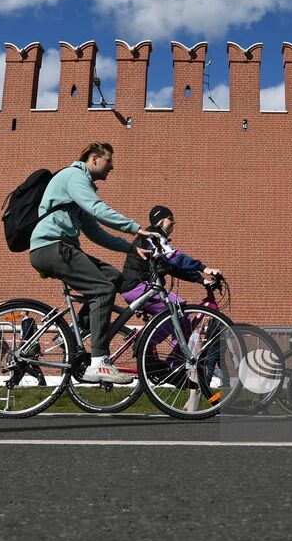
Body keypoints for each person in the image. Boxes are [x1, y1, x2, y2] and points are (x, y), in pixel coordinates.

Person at [29, 142, 160, 384]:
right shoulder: (74, 176)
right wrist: (135, 228)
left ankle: (77, 330)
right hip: (50, 246)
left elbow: (96, 232)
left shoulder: (81, 189)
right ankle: (99, 362)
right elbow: (97, 209)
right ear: (94, 158)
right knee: (103, 289)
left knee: (113, 278)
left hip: (61, 247)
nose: (113, 166)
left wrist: (131, 246)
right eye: (109, 160)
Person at [119, 205, 222, 328]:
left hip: (140, 287)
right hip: (137, 286)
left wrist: (202, 280)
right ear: (161, 220)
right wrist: (205, 268)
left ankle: (177, 347)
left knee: (178, 317)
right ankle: (146, 345)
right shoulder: (152, 237)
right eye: (170, 218)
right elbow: (175, 257)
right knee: (179, 311)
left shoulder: (159, 240)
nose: (174, 221)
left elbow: (173, 267)